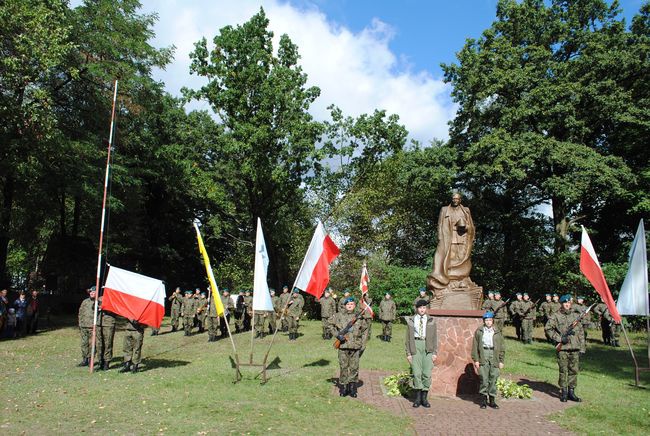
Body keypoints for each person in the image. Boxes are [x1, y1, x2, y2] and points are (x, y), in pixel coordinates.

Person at [428, 192, 475, 291]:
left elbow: (471, 226)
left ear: (460, 200)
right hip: (449, 237)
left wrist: (466, 227)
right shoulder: (444, 210)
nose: (455, 200)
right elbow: (440, 224)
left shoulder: (466, 210)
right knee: (450, 258)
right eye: (453, 198)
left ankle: (462, 279)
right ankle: (449, 280)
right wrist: (440, 237)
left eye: (457, 199)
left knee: (461, 257)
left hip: (462, 237)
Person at [545, 294, 586, 402]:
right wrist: (559, 339)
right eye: (565, 303)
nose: (567, 304)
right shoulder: (556, 316)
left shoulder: (575, 316)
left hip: (575, 347)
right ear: (561, 304)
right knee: (563, 370)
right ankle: (564, 392)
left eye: (568, 303)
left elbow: (581, 333)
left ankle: (571, 392)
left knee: (574, 370)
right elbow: (548, 328)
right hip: (563, 348)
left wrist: (582, 348)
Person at [330, 296, 369, 398]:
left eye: (351, 304)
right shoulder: (339, 316)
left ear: (354, 305)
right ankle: (343, 387)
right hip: (343, 346)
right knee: (343, 367)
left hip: (355, 346)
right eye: (348, 304)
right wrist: (337, 335)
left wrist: (363, 343)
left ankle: (352, 389)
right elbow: (330, 325)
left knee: (354, 368)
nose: (350, 306)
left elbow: (365, 330)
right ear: (345, 306)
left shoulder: (360, 317)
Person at [405, 299, 438, 408]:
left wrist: (434, 352)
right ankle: (417, 398)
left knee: (427, 373)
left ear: (426, 308)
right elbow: (407, 339)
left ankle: (424, 398)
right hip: (416, 345)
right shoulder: (411, 320)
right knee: (417, 372)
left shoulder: (431, 320)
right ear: (417, 309)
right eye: (420, 308)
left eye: (424, 308)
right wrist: (408, 353)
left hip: (427, 346)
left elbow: (435, 338)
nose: (422, 310)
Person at [471, 311, 505, 409]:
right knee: (484, 378)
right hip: (483, 354)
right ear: (484, 321)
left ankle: (492, 400)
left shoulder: (497, 331)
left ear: (492, 320)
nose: (488, 322)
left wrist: (501, 361)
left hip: (494, 355)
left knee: (493, 378)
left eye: (490, 320)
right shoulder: (479, 331)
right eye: (486, 320)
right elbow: (475, 346)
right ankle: (483, 400)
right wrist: (476, 360)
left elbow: (502, 347)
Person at [78, 286, 98, 367]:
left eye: (93, 292)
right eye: (90, 292)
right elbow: (80, 313)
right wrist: (80, 323)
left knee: (92, 344)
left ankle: (91, 359)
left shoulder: (98, 302)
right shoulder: (85, 302)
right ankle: (84, 359)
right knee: (84, 343)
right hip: (83, 326)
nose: (91, 293)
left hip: (92, 327)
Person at [97, 298, 116, 371]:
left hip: (108, 323)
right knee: (99, 343)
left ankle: (106, 362)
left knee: (108, 343)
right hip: (99, 323)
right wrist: (96, 305)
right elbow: (93, 308)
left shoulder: (114, 296)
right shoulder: (99, 298)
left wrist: (105, 307)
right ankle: (100, 361)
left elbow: (116, 309)